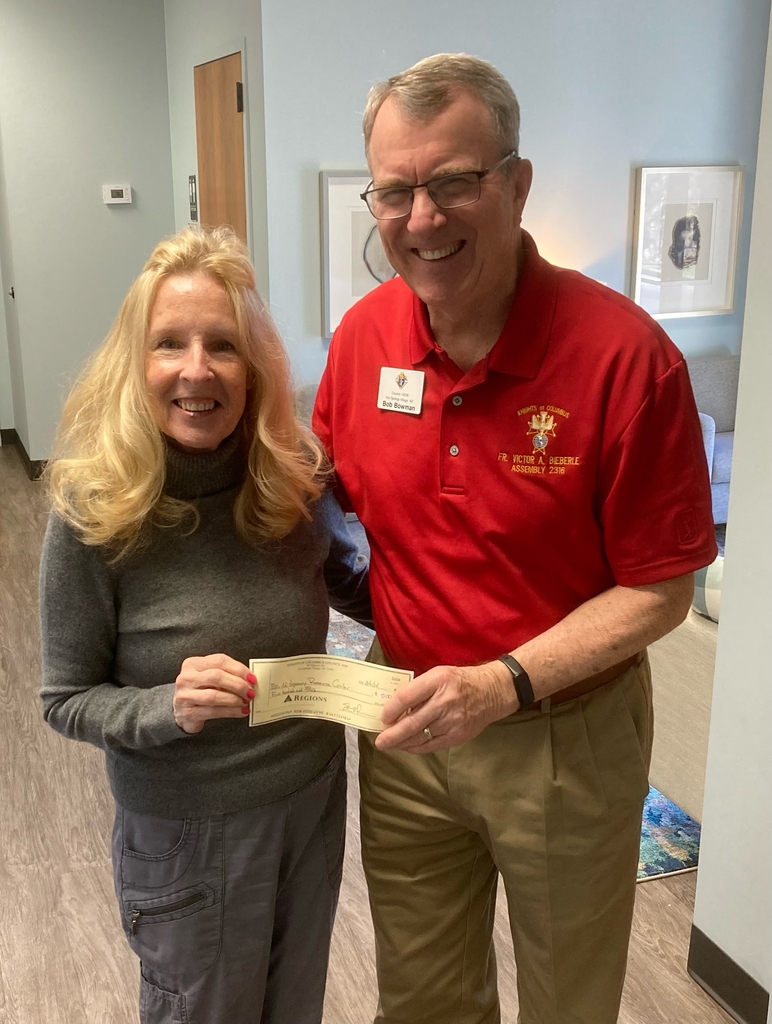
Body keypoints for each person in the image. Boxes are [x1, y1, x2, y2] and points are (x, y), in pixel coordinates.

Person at [313, 53, 716, 1024]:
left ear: (516, 183)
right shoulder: (363, 338)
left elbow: (660, 588)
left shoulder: (624, 360)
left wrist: (502, 681)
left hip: (560, 738)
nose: (422, 218)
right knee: (420, 998)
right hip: (404, 717)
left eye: (453, 181)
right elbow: (323, 498)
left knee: (566, 999)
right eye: (397, 190)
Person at [40, 227, 371, 1024]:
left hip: (314, 802)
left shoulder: (294, 474)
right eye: (169, 345)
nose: (196, 370)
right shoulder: (93, 507)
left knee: (295, 1008)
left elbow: (352, 586)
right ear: (136, 363)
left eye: (221, 344)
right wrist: (167, 707)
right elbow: (65, 697)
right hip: (186, 829)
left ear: (252, 365)